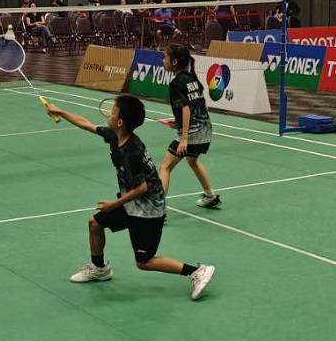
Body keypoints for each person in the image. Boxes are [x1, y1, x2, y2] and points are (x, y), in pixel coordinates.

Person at [44, 95, 215, 300]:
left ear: (120, 122)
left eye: (112, 112)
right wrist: (60, 112)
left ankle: (197, 271)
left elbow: (141, 188)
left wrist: (113, 204)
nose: (108, 114)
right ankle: (99, 269)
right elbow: (86, 124)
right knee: (95, 224)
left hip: (148, 210)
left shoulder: (131, 151)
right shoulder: (116, 136)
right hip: (132, 202)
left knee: (144, 262)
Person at [159, 43, 220, 209]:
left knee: (165, 167)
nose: (163, 60)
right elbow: (199, 106)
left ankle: (158, 209)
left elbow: (185, 109)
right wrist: (178, 123)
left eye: (165, 57)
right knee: (192, 161)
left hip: (192, 135)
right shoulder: (192, 79)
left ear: (174, 62)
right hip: (206, 130)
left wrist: (184, 138)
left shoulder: (176, 84)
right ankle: (210, 196)